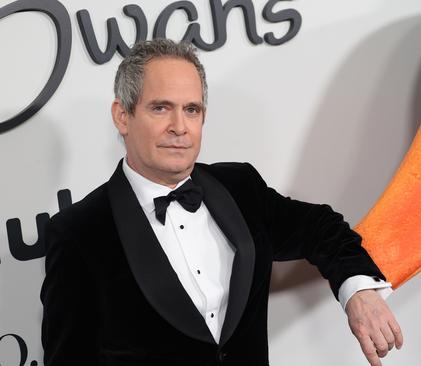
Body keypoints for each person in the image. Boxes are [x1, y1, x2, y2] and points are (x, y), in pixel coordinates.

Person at [40, 39, 402, 366]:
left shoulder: (239, 186)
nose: (179, 126)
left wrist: (358, 290)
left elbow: (319, 227)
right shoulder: (78, 234)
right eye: (161, 108)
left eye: (192, 109)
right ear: (123, 116)